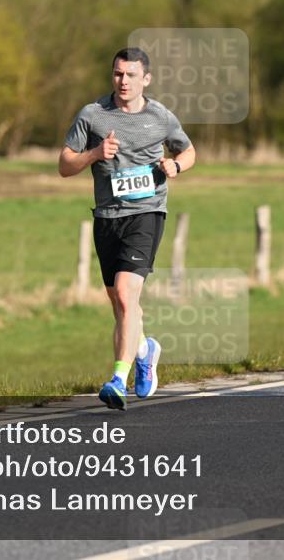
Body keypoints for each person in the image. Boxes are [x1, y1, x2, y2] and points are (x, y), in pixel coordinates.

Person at [59, 47, 196, 410]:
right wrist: (93, 154)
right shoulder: (93, 115)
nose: (123, 81)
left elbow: (188, 151)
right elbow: (65, 164)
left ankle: (119, 378)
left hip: (147, 213)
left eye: (131, 75)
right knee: (121, 304)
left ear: (145, 79)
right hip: (107, 217)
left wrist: (176, 167)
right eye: (118, 74)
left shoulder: (160, 116)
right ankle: (145, 350)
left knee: (125, 293)